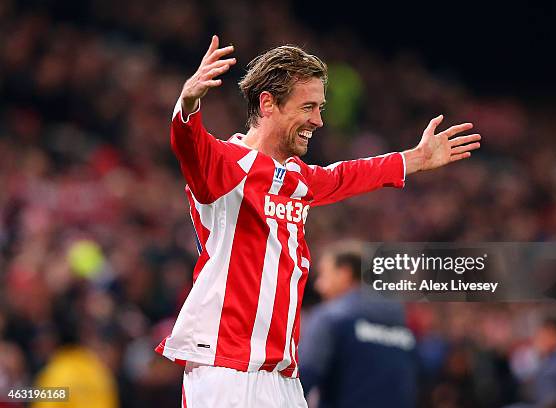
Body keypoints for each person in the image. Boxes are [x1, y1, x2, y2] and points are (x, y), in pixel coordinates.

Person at [155, 34, 481, 407]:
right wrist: (188, 102)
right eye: (308, 107)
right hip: (226, 365)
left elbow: (346, 175)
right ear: (268, 104)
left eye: (320, 107)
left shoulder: (297, 177)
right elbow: (188, 142)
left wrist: (414, 159)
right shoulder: (226, 166)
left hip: (282, 374)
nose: (319, 120)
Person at [299, 242, 420, 407]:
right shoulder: (400, 319)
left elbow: (305, 377)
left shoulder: (331, 317)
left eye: (324, 275)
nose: (319, 286)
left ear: (344, 273)